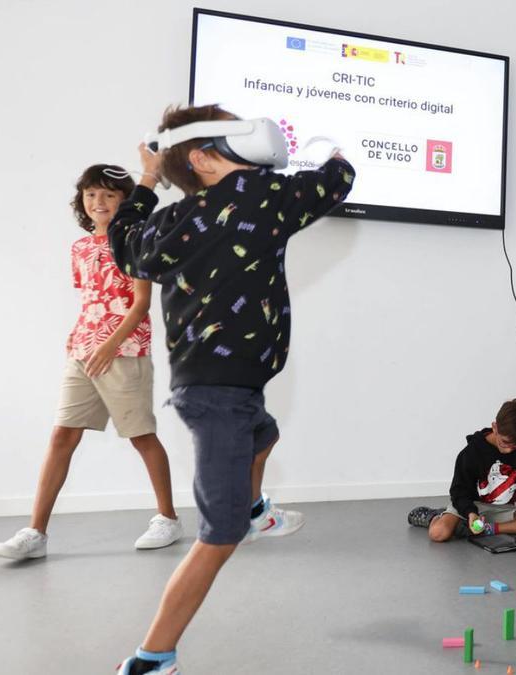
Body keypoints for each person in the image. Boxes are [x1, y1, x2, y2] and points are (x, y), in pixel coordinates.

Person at [108, 104, 355, 675]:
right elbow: (335, 182)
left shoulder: (173, 221)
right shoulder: (257, 194)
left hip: (221, 385)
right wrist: (332, 155)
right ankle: (153, 655)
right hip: (220, 391)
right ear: (202, 156)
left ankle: (252, 506)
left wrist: (146, 178)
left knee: (262, 435)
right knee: (218, 537)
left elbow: (125, 245)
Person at [0, 165, 181, 561]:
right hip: (82, 351)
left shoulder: (136, 241)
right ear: (82, 201)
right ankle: (36, 532)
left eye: (110, 195)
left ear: (125, 201)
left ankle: (168, 517)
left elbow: (141, 304)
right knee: (62, 435)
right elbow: (92, 299)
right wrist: (82, 340)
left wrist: (110, 345)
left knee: (140, 435)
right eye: (91, 194)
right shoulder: (79, 249)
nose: (99, 202)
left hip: (124, 350)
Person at [406, 399, 516, 541]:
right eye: (505, 443)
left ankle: (487, 529)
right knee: (439, 533)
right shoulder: (471, 453)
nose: (509, 450)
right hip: (469, 507)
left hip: (501, 510)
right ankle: (434, 516)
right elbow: (459, 491)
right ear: (495, 427)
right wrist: (471, 513)